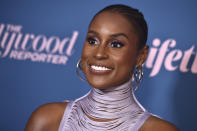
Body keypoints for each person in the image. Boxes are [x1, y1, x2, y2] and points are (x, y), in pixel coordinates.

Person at [25, 4, 179, 131]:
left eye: (116, 44)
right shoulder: (46, 120)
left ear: (141, 56)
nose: (99, 54)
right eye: (92, 41)